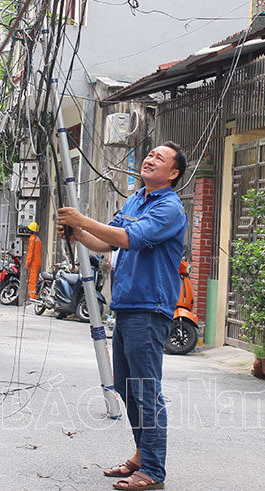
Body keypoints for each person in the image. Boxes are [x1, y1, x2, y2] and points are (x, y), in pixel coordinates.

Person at [57, 142, 187, 491]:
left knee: (146, 390)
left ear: (173, 173)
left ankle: (154, 471)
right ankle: (143, 454)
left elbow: (131, 238)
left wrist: (82, 219)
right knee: (128, 390)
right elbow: (109, 242)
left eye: (159, 158)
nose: (149, 159)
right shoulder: (135, 200)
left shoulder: (170, 208)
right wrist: (80, 233)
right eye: (149, 154)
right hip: (127, 306)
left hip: (150, 308)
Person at [25, 221, 42, 300]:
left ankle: (32, 298)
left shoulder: (32, 239)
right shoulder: (38, 239)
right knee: (33, 280)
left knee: (32, 281)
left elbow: (30, 253)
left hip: (33, 263)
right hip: (37, 262)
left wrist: (27, 263)